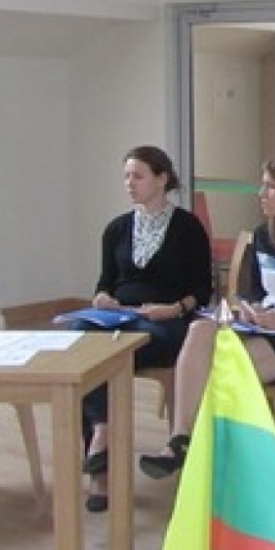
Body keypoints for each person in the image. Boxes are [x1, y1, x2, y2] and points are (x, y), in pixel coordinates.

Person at [139, 153, 275, 479]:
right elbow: (252, 292)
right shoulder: (263, 236)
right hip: (268, 324)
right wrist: (250, 308)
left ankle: (221, 459)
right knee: (200, 328)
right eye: (263, 186)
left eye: (271, 187)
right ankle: (180, 439)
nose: (261, 194)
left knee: (227, 369)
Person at [79, 146, 213, 512]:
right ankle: (102, 442)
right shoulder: (116, 228)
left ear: (162, 179)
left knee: (109, 355)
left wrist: (173, 308)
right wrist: (102, 298)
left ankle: (101, 454)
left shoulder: (187, 227)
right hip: (119, 317)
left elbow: (202, 290)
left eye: (137, 176)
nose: (129, 183)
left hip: (167, 319)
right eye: (126, 176)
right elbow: (105, 281)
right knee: (80, 342)